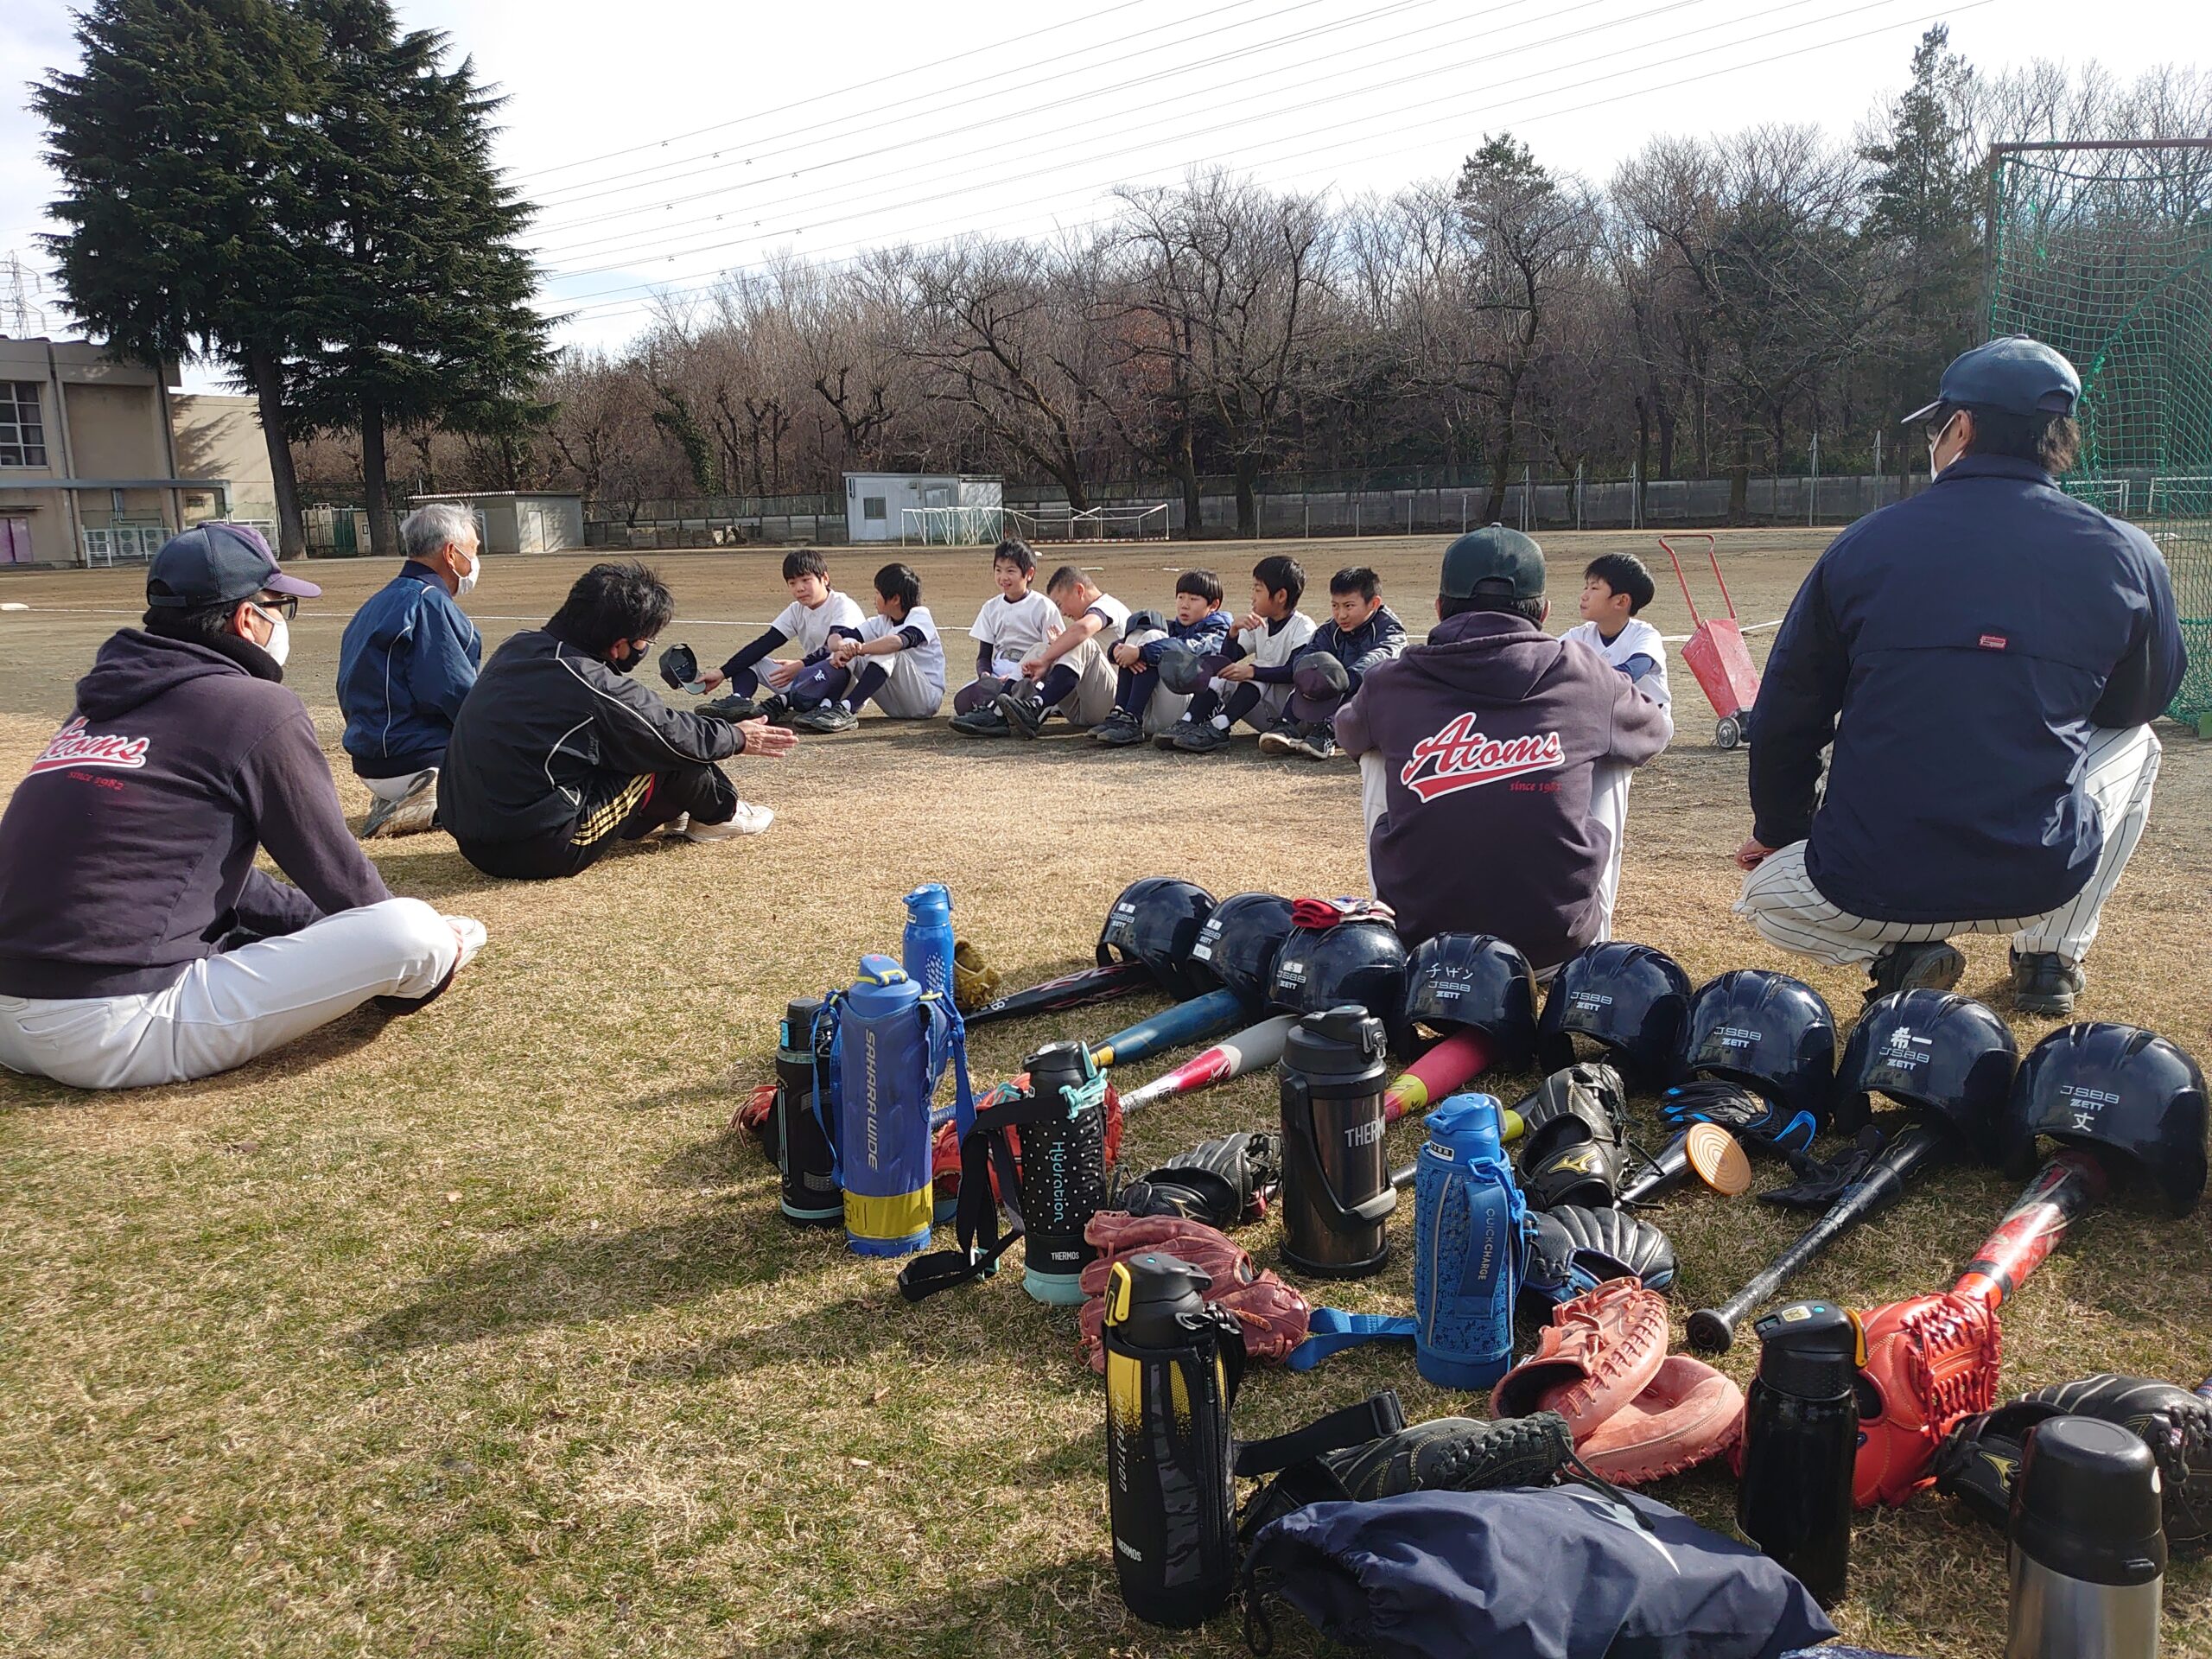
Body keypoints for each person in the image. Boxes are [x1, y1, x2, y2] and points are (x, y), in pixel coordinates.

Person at [1734, 336, 2186, 1014]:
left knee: (1763, 897)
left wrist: (1779, 826)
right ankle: (2048, 961)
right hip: (2039, 878)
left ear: (1963, 426)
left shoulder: (1867, 541)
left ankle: (1903, 953)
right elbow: (2138, 701)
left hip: (1868, 888)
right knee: (2139, 741)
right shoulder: (2127, 551)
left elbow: (1786, 715)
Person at [0, 524, 485, 1090]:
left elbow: (202, 872)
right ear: (245, 618)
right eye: (280, 605)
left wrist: (313, 928)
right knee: (415, 929)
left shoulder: (93, 710)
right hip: (109, 1026)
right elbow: (343, 882)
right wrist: (408, 960)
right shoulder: (254, 706)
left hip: (9, 1014)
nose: (283, 622)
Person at [1336, 525, 1670, 968]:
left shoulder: (1391, 679)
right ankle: (1591, 950)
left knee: (1374, 745)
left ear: (1439, 608)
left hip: (1424, 939)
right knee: (1613, 750)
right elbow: (1656, 732)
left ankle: (1394, 916)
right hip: (1554, 943)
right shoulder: (1588, 673)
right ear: (1544, 611)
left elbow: (1346, 733)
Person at [438, 562, 796, 878]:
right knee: (664, 751)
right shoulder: (589, 682)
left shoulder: (517, 647)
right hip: (537, 846)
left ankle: (684, 809)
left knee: (632, 738)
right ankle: (721, 815)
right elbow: (669, 733)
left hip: (473, 839)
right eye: (645, 643)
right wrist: (738, 736)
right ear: (619, 646)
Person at [335, 501, 484, 838]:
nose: (475, 562)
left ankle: (401, 799)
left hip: (372, 760)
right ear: (451, 553)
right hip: (417, 758)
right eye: (473, 551)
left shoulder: (377, 602)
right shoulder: (429, 602)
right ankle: (429, 797)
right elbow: (453, 693)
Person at [1561, 551, 1675, 939]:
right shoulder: (1577, 637)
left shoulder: (1644, 635)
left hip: (1638, 730)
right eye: (1586, 586)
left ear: (1621, 602)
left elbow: (1628, 676)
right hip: (1594, 731)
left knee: (1605, 833)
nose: (1584, 594)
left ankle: (1599, 935)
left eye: (1594, 588)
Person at [1157, 554, 1317, 753]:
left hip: (1292, 718)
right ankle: (1189, 721)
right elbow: (1227, 659)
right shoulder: (1260, 623)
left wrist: (1252, 672)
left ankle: (1219, 727)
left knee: (1259, 667)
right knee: (1224, 670)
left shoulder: (1303, 627)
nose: (1252, 596)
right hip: (1265, 716)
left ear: (1281, 596)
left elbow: (1295, 672)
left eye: (1258, 589)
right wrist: (1232, 633)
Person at [696, 548, 864, 721]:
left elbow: (835, 650)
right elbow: (764, 644)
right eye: (792, 583)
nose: (799, 588)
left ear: (825, 579)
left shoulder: (842, 605)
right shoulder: (796, 610)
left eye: (806, 580)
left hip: (841, 687)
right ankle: (739, 700)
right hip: (808, 678)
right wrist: (722, 673)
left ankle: (822, 708)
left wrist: (801, 664)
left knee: (836, 660)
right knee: (753, 659)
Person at [1260, 567, 1408, 760]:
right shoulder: (1330, 630)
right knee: (1313, 672)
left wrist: (1347, 677)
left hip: (1376, 703)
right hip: (1334, 695)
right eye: (1335, 606)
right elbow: (1308, 654)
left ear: (1373, 603)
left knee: (1366, 682)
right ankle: (1286, 725)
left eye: (1349, 606)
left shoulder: (1391, 629)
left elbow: (1384, 655)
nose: (1341, 615)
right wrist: (1308, 670)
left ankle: (1328, 733)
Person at [784, 562, 948, 733]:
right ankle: (828, 707)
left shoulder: (920, 616)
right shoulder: (880, 622)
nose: (874, 598)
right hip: (896, 706)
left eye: (877, 593)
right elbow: (837, 636)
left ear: (895, 598)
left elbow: (897, 642)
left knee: (886, 649)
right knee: (850, 646)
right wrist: (841, 646)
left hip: (925, 700)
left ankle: (847, 709)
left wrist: (859, 649)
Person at [1092, 569, 1232, 746]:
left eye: (1193, 599)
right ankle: (1121, 714)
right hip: (1161, 712)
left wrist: (1141, 654)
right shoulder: (1173, 627)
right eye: (1181, 597)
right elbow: (1126, 645)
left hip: (1189, 711)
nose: (1184, 605)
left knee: (1152, 640)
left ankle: (1132, 719)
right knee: (1138, 634)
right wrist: (1116, 650)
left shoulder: (1219, 630)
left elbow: (1187, 649)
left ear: (1213, 605)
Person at [993, 565, 1132, 739]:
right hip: (1083, 707)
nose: (1063, 613)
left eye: (1060, 604)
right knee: (1041, 648)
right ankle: (997, 712)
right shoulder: (1091, 614)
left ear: (1079, 590)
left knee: (1080, 643)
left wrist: (1046, 659)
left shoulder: (1107, 606)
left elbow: (1082, 630)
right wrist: (1052, 650)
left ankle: (1037, 707)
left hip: (1116, 704)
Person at [951, 537, 1062, 725]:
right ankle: (999, 708)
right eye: (998, 570)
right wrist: (985, 675)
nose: (1003, 577)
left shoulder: (1043, 606)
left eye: (1010, 571)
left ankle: (1001, 712)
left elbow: (1050, 653)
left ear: (1029, 573)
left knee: (1024, 688)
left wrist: (1019, 675)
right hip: (998, 672)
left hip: (1028, 672)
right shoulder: (990, 607)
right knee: (962, 700)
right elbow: (984, 656)